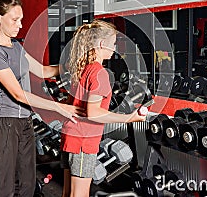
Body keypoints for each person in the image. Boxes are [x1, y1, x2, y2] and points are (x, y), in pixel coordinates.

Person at [0, 0, 83, 197]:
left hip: (24, 122)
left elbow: (44, 71)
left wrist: (74, 65)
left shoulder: (16, 46)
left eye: (21, 19)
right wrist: (57, 106)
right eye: (15, 19)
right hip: (5, 123)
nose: (20, 25)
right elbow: (18, 94)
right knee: (5, 186)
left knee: (27, 184)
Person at [60, 20, 147, 197]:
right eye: (113, 43)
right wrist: (129, 118)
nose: (114, 48)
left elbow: (71, 105)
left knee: (68, 192)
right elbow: (93, 113)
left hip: (71, 136)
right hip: (83, 141)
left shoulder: (82, 68)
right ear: (101, 44)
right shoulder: (99, 73)